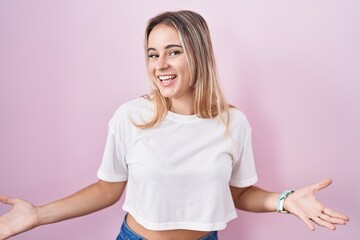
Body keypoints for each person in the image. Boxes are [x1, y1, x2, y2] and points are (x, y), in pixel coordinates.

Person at [0, 10, 349, 240]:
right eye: (153, 54)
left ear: (199, 55)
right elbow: (107, 189)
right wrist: (38, 215)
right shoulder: (130, 117)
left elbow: (238, 193)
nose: (160, 64)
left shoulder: (233, 123)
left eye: (173, 51)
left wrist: (284, 200)